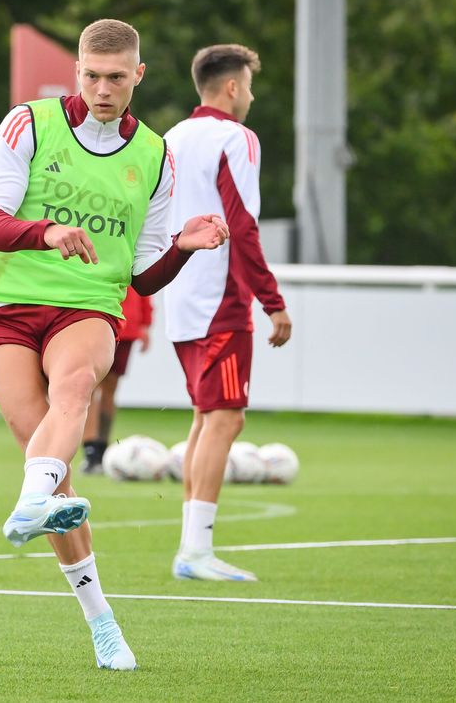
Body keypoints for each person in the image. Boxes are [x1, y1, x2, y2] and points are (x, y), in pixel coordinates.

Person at [0, 19, 229, 670]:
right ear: (77, 71)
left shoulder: (155, 156)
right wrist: (47, 231)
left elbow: (141, 272)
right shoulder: (27, 123)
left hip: (86, 307)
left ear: (137, 75)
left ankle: (30, 504)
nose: (102, 88)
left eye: (116, 77)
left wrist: (183, 251)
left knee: (78, 387)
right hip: (3, 308)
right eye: (91, 75)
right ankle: (101, 619)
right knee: (53, 468)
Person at [163, 44, 292, 581]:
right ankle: (195, 551)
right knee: (226, 418)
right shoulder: (235, 138)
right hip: (220, 299)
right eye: (250, 86)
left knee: (205, 419)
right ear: (233, 87)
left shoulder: (169, 137)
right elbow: (241, 225)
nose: (252, 96)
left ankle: (192, 547)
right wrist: (273, 302)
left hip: (178, 293)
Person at [80, 286, 153, 474]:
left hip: (109, 320)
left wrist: (144, 322)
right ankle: (97, 450)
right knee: (100, 390)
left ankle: (94, 452)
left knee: (94, 389)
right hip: (113, 320)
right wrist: (144, 322)